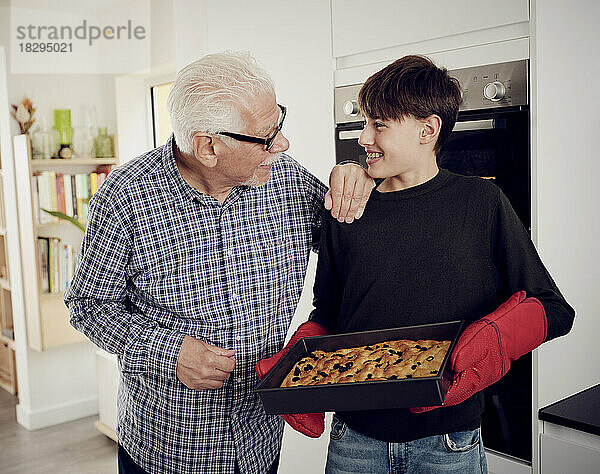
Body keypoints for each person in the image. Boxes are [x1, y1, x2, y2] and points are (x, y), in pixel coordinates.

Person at [258, 55, 575, 473]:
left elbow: (553, 308)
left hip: (449, 443)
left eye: (380, 124)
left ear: (427, 130)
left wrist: (497, 340)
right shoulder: (348, 209)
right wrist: (299, 364)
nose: (364, 137)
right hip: (353, 442)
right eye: (365, 122)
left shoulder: (482, 204)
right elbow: (330, 310)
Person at [64, 51, 374, 474]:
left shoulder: (285, 178)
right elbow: (88, 306)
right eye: (267, 136)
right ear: (208, 146)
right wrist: (169, 353)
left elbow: (354, 242)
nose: (282, 145)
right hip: (168, 448)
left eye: (279, 122)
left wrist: (358, 177)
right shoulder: (124, 200)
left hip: (260, 441)